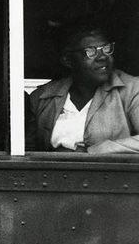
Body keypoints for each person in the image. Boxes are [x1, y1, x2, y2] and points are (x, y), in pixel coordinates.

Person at [26, 21, 139, 153]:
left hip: (108, 174)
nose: (102, 57)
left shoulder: (132, 89)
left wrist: (99, 150)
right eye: (90, 51)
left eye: (106, 48)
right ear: (68, 60)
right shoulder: (43, 97)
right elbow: (27, 151)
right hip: (55, 173)